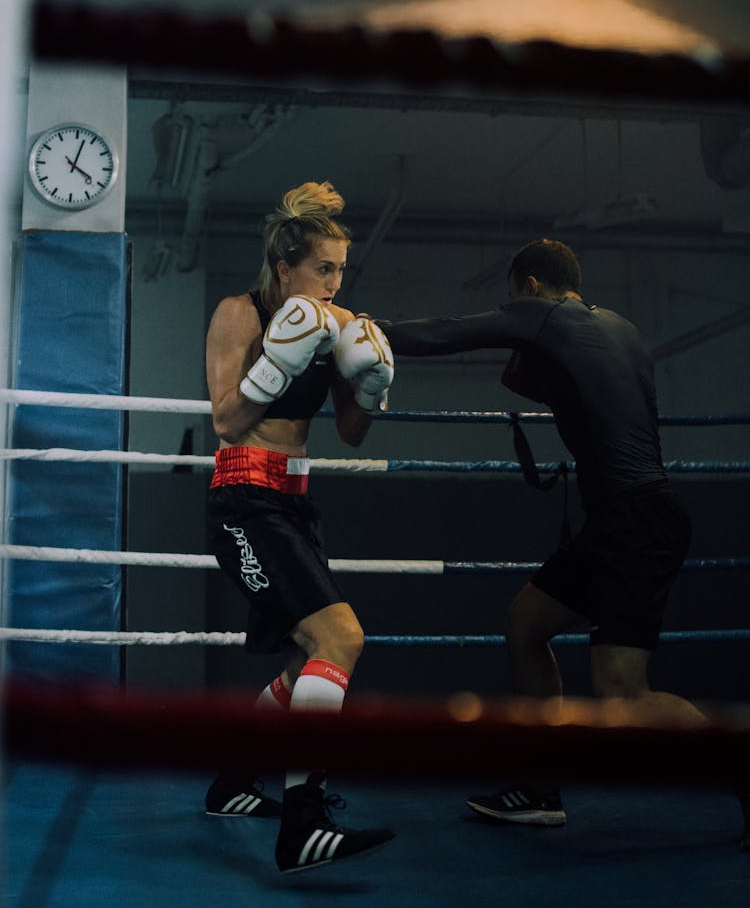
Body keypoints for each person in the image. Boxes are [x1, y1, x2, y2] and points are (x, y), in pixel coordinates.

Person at [377, 237, 706, 827]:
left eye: (514, 299)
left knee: (622, 691)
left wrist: (356, 330)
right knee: (526, 623)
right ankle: (540, 786)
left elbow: (443, 333)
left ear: (529, 285)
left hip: (635, 522)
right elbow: (539, 384)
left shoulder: (540, 312)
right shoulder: (622, 329)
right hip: (625, 520)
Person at [204, 180, 395, 873]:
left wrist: (371, 385)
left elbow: (350, 432)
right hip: (244, 498)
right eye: (323, 268)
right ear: (286, 267)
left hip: (297, 503)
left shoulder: (338, 322)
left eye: (342, 269)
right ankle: (303, 821)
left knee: (302, 660)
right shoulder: (240, 312)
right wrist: (277, 359)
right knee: (339, 636)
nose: (335, 282)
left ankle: (231, 782)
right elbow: (226, 420)